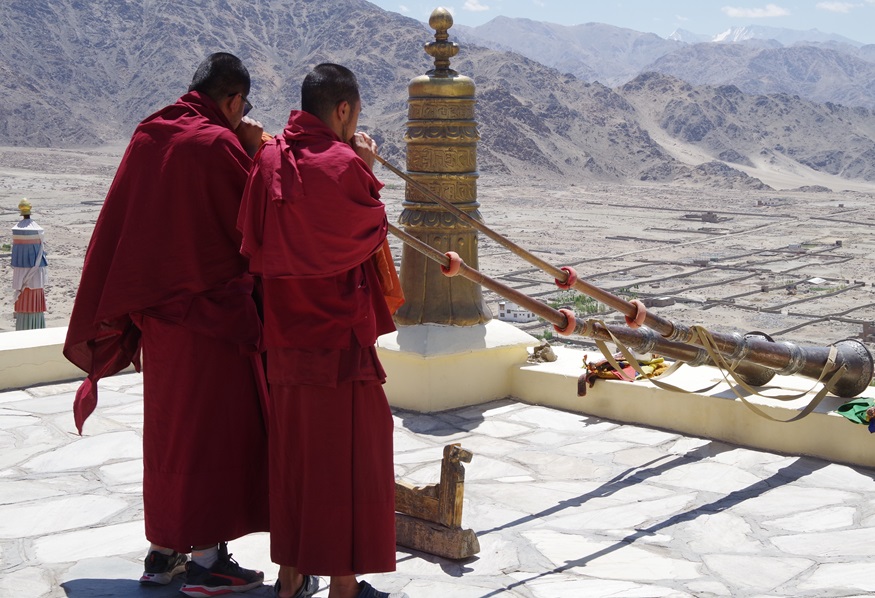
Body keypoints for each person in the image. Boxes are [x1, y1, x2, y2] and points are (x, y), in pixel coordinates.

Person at [64, 52, 269, 597]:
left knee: (171, 436)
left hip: (158, 324)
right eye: (242, 106)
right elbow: (254, 224)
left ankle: (164, 554)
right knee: (212, 438)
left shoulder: (151, 133)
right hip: (211, 323)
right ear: (232, 100)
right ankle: (207, 560)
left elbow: (124, 220)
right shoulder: (219, 144)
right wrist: (258, 150)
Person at [237, 63, 408, 598]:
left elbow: (250, 239)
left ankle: (290, 578)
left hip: (285, 343)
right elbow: (369, 228)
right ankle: (343, 583)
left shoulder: (268, 158)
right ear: (343, 110)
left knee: (295, 460)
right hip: (339, 347)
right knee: (350, 460)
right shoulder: (341, 165)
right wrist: (363, 163)